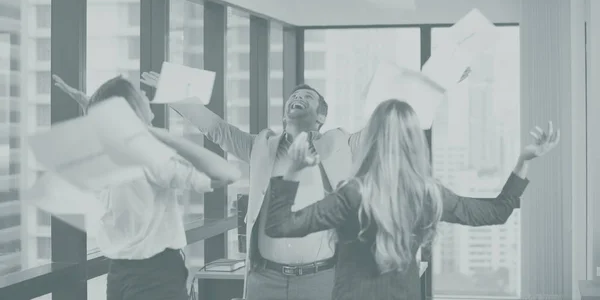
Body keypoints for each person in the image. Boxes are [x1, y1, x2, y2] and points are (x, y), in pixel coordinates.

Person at [53, 70, 513, 300]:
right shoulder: (261, 145)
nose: (298, 98)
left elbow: (385, 121)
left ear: (321, 116)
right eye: (294, 96)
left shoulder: (340, 144)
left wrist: (439, 83)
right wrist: (174, 90)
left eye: (308, 98)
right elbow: (215, 129)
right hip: (264, 280)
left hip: (321, 278)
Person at [264, 100, 560, 300]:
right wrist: (524, 160)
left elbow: (279, 226)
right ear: (414, 141)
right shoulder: (428, 194)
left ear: (372, 139)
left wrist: (293, 168)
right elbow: (496, 212)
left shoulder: (354, 193)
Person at [66, 76, 240, 300]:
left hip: (122, 275)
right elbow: (227, 173)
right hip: (152, 277)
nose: (147, 96)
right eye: (141, 94)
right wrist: (163, 136)